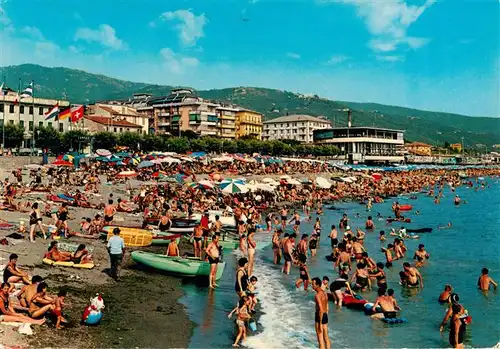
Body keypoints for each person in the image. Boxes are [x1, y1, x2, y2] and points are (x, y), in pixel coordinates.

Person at [312, 277, 330, 349]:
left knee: (320, 339)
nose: (312, 286)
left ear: (318, 285)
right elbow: (326, 305)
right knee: (326, 337)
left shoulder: (317, 295)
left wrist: (319, 323)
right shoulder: (324, 293)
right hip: (325, 315)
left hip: (320, 316)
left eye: (313, 284)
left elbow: (320, 309)